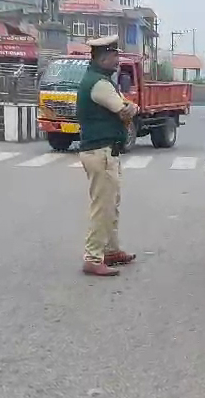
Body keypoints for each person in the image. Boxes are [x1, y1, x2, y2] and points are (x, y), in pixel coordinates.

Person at [76, 35, 139, 277]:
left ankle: (111, 250)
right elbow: (125, 111)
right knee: (102, 206)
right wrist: (131, 109)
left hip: (104, 151)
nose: (118, 61)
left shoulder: (98, 80)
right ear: (103, 58)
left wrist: (128, 107)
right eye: (114, 57)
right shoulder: (100, 84)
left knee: (111, 203)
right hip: (100, 152)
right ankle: (93, 257)